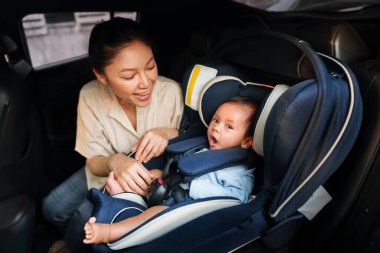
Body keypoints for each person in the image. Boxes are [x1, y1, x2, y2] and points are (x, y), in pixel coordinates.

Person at [42, 17, 184, 253]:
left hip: (144, 182)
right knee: (51, 209)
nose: (145, 82)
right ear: (101, 76)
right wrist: (115, 161)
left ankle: (71, 245)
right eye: (129, 76)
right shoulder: (90, 96)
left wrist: (169, 133)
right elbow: (94, 161)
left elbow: (191, 144)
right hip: (105, 168)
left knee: (81, 220)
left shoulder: (171, 93)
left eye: (150, 67)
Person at [83, 96, 258, 245]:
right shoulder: (205, 149)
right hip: (174, 186)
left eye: (229, 127)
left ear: (246, 142)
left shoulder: (240, 172)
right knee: (156, 173)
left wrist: (194, 186)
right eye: (216, 120)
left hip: (187, 206)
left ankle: (109, 232)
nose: (217, 127)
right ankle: (126, 196)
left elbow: (236, 199)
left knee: (155, 214)